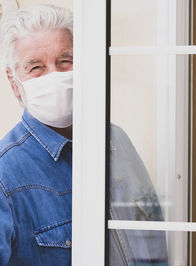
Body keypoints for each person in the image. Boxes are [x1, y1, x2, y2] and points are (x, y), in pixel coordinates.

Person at [0, 4, 167, 265]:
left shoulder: (117, 142)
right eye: (36, 68)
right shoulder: (5, 175)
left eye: (65, 61)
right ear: (14, 83)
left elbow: (155, 242)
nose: (54, 76)